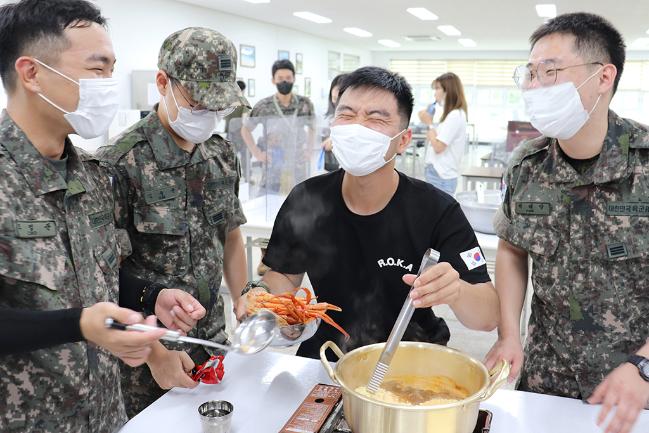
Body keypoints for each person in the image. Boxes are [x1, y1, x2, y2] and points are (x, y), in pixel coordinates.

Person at [0, 1, 206, 431]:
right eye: (97, 69)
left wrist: (151, 295)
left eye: (112, 69)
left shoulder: (92, 176)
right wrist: (80, 324)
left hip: (105, 415)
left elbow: (100, 275)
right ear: (32, 73)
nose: (108, 84)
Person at [236, 66, 499, 359]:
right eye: (346, 115)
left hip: (411, 355)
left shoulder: (437, 210)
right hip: (328, 352)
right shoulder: (307, 198)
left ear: (403, 140)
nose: (357, 127)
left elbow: (487, 316)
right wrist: (262, 298)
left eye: (375, 118)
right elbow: (284, 275)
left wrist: (457, 291)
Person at [483, 12, 649, 433]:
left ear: (603, 77)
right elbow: (513, 249)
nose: (535, 87)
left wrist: (644, 365)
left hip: (633, 386)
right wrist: (509, 333)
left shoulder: (645, 161)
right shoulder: (528, 164)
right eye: (531, 73)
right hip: (546, 376)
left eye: (551, 71)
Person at [97, 27, 249, 418]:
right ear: (162, 82)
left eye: (218, 106)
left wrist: (245, 294)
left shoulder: (220, 154)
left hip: (214, 341)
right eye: (198, 103)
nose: (209, 116)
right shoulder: (119, 163)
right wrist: (156, 355)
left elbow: (230, 235)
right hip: (147, 359)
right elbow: (102, 278)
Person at [240, 59, 316, 275]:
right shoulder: (264, 105)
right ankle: (267, 257)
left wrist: (310, 150)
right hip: (272, 165)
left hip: (298, 165)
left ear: (294, 79)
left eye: (288, 78)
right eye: (281, 78)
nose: (285, 81)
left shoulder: (304, 104)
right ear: (273, 80)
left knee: (298, 207)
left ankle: (294, 254)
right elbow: (246, 130)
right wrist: (257, 153)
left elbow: (313, 127)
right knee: (271, 211)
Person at [424, 73, 468, 196]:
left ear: (448, 91)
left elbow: (438, 147)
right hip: (438, 173)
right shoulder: (450, 115)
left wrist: (429, 124)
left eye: (438, 88)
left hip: (441, 175)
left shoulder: (455, 115)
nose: (435, 93)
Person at [321, 73, 347, 172]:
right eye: (334, 99)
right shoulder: (329, 117)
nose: (336, 104)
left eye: (340, 99)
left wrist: (335, 141)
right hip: (330, 164)